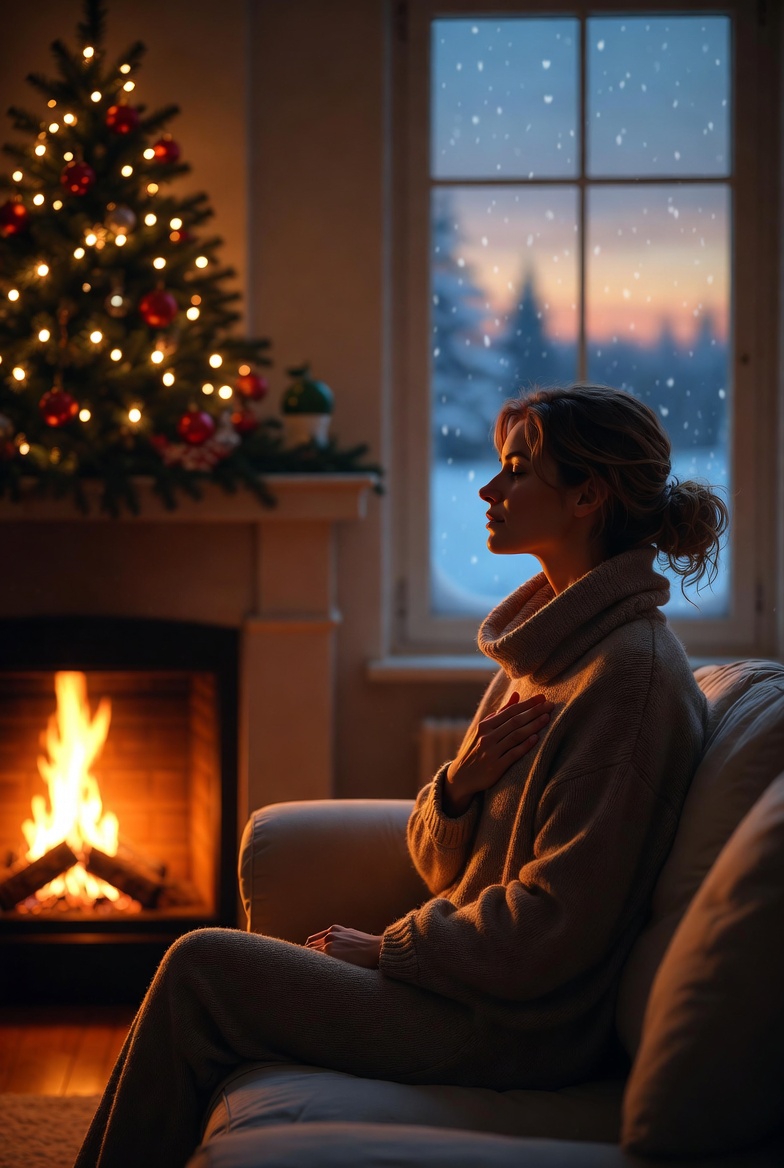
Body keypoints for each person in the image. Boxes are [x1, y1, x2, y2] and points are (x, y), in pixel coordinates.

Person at [75, 383, 729, 1168]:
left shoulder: (630, 682)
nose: (489, 489)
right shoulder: (543, 654)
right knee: (207, 970)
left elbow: (556, 927)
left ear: (588, 495)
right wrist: (459, 785)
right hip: (465, 990)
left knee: (202, 968)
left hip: (515, 1029)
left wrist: (393, 948)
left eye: (517, 471)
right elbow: (434, 860)